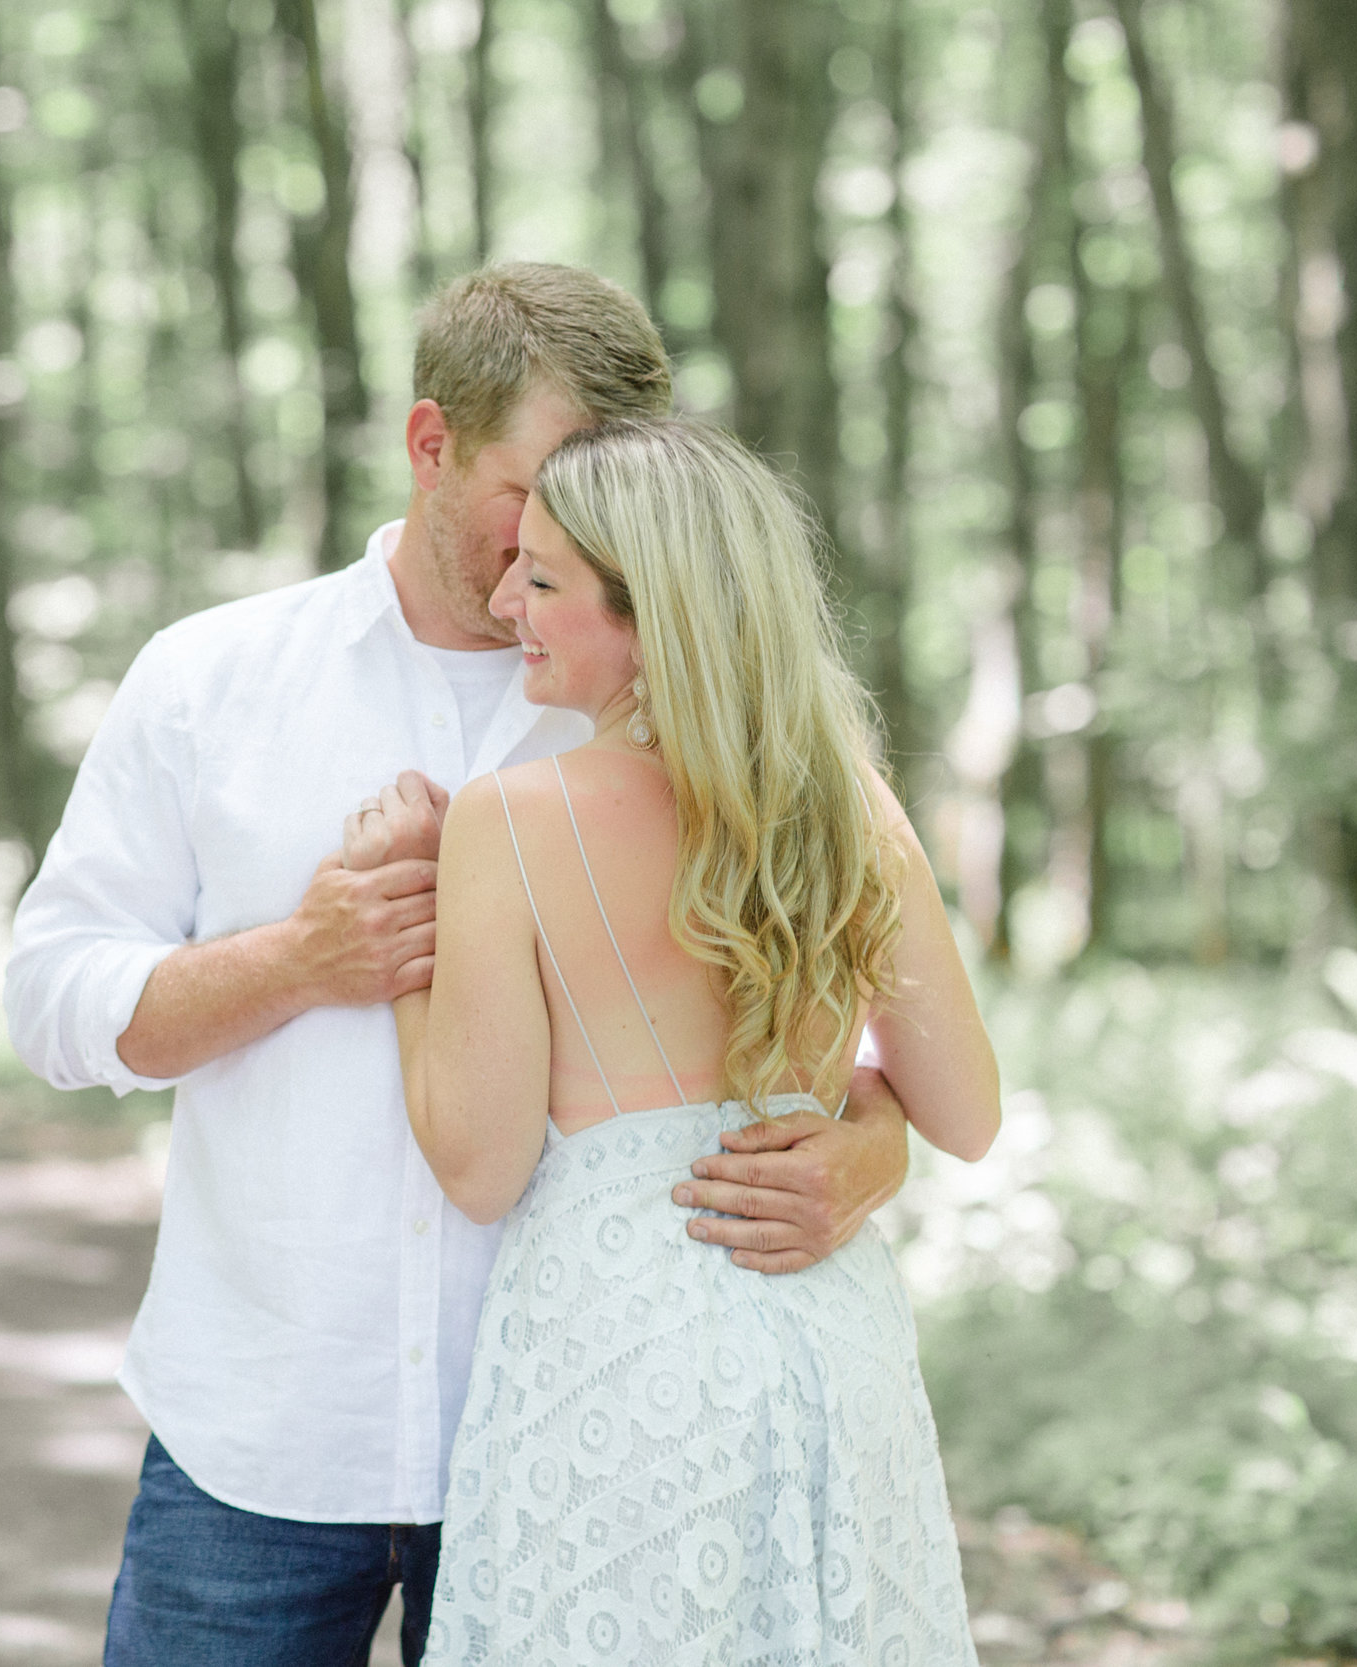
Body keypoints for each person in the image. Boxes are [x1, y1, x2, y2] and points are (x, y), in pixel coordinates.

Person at [4, 264, 918, 1666]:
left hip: (588, 1442)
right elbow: (52, 1002)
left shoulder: (690, 730)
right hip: (261, 1430)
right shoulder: (213, 677)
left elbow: (814, 1005)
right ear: (430, 445)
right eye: (538, 487)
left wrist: (871, 1143)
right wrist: (301, 958)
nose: (566, 536)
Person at [346, 416, 998, 1663]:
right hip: (827, 1335)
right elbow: (965, 1111)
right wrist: (865, 1120)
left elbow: (477, 1166)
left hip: (619, 1354)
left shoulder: (510, 821)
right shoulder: (849, 800)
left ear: (648, 614)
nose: (504, 598)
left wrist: (405, 942)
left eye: (539, 578)